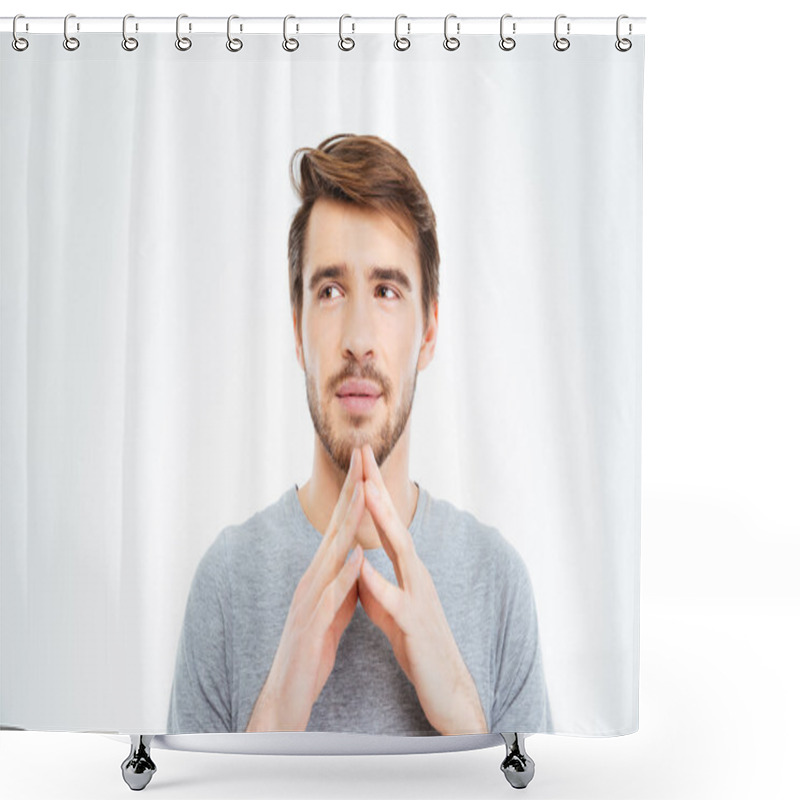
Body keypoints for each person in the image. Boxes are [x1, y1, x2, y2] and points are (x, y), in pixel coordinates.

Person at [167, 133, 551, 736]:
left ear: (427, 333)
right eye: (331, 290)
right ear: (298, 331)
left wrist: (463, 714)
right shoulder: (226, 584)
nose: (359, 337)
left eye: (387, 291)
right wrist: (272, 722)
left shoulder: (498, 582)